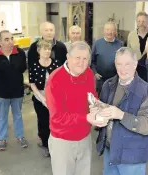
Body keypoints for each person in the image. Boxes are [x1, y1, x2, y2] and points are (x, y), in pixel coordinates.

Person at [93, 47, 148, 175]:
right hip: (110, 150)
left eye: (127, 64)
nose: (123, 69)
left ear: (135, 65)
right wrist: (97, 111)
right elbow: (103, 113)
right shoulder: (108, 84)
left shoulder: (146, 92)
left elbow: (147, 126)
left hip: (132, 156)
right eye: (119, 64)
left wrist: (121, 115)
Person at [45, 41, 103, 175]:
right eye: (77, 58)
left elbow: (92, 96)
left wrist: (99, 107)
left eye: (85, 59)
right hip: (63, 141)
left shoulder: (88, 73)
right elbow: (57, 117)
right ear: (68, 57)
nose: (81, 63)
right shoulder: (55, 79)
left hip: (84, 137)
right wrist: (87, 117)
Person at [0, 30, 28, 151]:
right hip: (1, 93)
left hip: (17, 92)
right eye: (6, 39)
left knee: (18, 115)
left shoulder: (19, 53)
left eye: (11, 39)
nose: (10, 42)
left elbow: (22, 69)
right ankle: (2, 138)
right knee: (2, 116)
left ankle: (20, 137)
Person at [29, 39, 61, 157]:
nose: (47, 51)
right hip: (39, 97)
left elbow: (60, 82)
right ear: (39, 51)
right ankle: (46, 145)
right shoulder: (34, 65)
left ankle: (56, 144)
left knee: (55, 121)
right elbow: (32, 84)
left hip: (55, 98)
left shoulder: (56, 63)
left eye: (49, 49)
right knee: (43, 122)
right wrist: (42, 98)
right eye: (45, 49)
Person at [91, 21, 123, 94]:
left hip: (115, 80)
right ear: (104, 31)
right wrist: (95, 73)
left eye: (112, 30)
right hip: (100, 80)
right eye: (107, 30)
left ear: (115, 32)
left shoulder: (120, 44)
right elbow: (92, 61)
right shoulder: (97, 43)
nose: (109, 32)